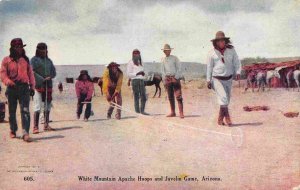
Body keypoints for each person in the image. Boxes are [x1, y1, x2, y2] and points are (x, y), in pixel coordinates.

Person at [0, 38, 35, 142]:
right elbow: (2, 74)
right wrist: (9, 82)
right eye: (17, 47)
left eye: (20, 47)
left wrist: (32, 87)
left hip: (24, 88)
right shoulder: (6, 60)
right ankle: (13, 130)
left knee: (25, 111)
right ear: (12, 48)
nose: (19, 49)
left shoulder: (25, 60)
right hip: (11, 88)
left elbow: (31, 74)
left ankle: (25, 133)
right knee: (12, 111)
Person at [206, 31, 241, 126]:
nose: (221, 43)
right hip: (217, 79)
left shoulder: (231, 50)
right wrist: (208, 80)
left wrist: (238, 72)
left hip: (228, 79)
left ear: (225, 41)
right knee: (224, 99)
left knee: (226, 100)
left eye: (223, 41)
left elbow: (237, 61)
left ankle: (220, 119)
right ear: (216, 42)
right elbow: (209, 67)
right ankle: (228, 119)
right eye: (219, 41)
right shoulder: (211, 53)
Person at [31, 43, 57, 133]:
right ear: (38, 51)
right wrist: (42, 79)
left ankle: (46, 125)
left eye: (45, 50)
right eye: (41, 50)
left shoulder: (49, 61)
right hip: (38, 86)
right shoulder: (34, 60)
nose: (43, 52)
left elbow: (54, 72)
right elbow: (31, 71)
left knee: (47, 106)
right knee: (37, 106)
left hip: (48, 85)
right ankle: (35, 127)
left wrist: (50, 77)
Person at [161, 44, 184, 118]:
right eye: (165, 51)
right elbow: (162, 71)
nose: (167, 52)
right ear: (164, 51)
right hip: (167, 79)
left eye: (168, 50)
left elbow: (179, 68)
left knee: (178, 95)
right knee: (170, 96)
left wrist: (176, 77)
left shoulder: (175, 58)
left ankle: (181, 113)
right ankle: (173, 112)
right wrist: (164, 80)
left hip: (175, 78)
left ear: (170, 50)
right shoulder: (162, 59)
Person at [127, 49, 149, 115]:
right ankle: (137, 111)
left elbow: (145, 72)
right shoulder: (130, 62)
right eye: (135, 54)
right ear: (133, 55)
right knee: (136, 96)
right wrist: (137, 73)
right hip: (135, 81)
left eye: (138, 54)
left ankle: (142, 111)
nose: (137, 55)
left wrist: (144, 74)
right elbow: (128, 74)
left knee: (144, 96)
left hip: (142, 81)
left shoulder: (141, 62)